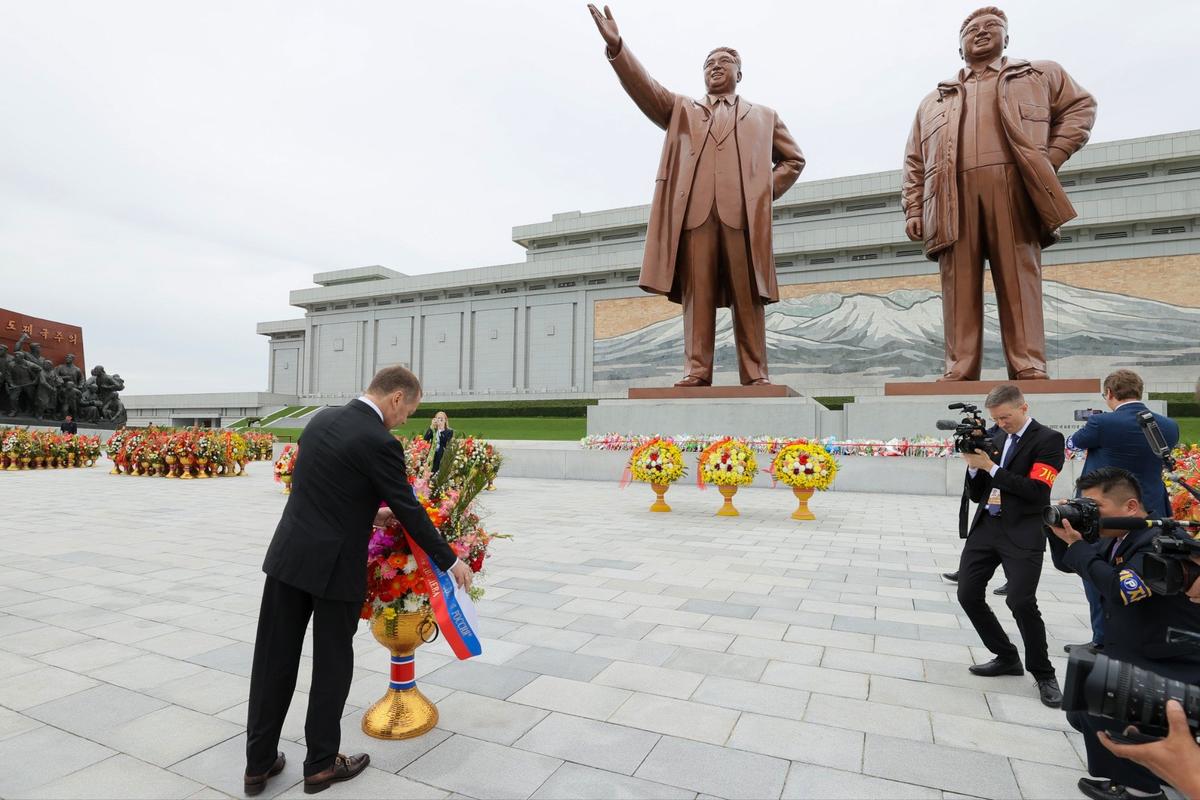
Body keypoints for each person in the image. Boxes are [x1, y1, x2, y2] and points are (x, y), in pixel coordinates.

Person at [244, 366, 473, 796]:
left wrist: (370, 513)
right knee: (332, 665)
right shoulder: (380, 441)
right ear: (397, 398)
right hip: (334, 570)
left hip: (288, 558)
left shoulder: (322, 420)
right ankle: (321, 764)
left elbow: (322, 490)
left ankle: (257, 763)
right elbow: (408, 508)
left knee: (273, 659)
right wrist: (449, 559)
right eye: (410, 410)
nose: (406, 420)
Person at [587, 4, 804, 386]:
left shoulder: (764, 115)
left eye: (723, 62)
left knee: (747, 295)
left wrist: (759, 194)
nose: (715, 67)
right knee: (697, 296)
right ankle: (697, 371)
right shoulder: (682, 110)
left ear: (740, 73)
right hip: (695, 217)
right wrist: (619, 48)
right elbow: (646, 88)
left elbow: (794, 160)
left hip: (742, 221)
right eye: (708, 63)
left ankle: (755, 375)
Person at [901, 6, 1096, 381]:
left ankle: (1028, 364)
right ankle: (960, 366)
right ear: (960, 48)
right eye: (972, 29)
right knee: (957, 283)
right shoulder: (933, 101)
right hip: (950, 197)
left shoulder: (1040, 74)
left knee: (1020, 277)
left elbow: (1081, 107)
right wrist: (913, 208)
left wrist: (1050, 158)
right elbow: (913, 161)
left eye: (993, 26)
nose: (982, 31)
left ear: (1007, 38)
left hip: (1014, 189)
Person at [1048, 467, 1200, 800]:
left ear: (1131, 507)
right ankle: (1160, 766)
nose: (1089, 513)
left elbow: (1121, 589)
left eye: (1094, 507)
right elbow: (1071, 562)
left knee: (1096, 705)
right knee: (1079, 708)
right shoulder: (1118, 537)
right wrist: (1060, 532)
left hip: (1178, 663)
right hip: (1144, 652)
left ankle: (1142, 790)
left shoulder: (1161, 543)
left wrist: (1080, 547)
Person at [957, 383, 1064, 707]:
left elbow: (1036, 491)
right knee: (967, 594)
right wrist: (974, 467)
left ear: (1023, 408)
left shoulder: (1048, 440)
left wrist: (991, 466)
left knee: (1020, 601)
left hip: (1023, 529)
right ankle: (1006, 656)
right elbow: (977, 493)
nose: (1001, 424)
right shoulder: (996, 437)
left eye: (1005, 417)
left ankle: (1044, 673)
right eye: (996, 419)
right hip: (986, 526)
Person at [1060, 370, 1180, 653]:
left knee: (1097, 571)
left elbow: (1071, 445)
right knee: (1145, 576)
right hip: (1150, 512)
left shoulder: (1101, 422)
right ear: (1139, 391)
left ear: (1110, 394)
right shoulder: (1168, 426)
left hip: (1103, 512)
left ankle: (1102, 637)